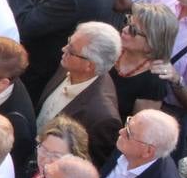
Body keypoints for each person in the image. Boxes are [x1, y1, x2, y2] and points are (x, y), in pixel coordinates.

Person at [35, 22, 125, 165]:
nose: (64, 49)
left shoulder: (102, 118)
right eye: (68, 42)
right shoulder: (69, 64)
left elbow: (87, 167)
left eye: (71, 50)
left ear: (89, 65)